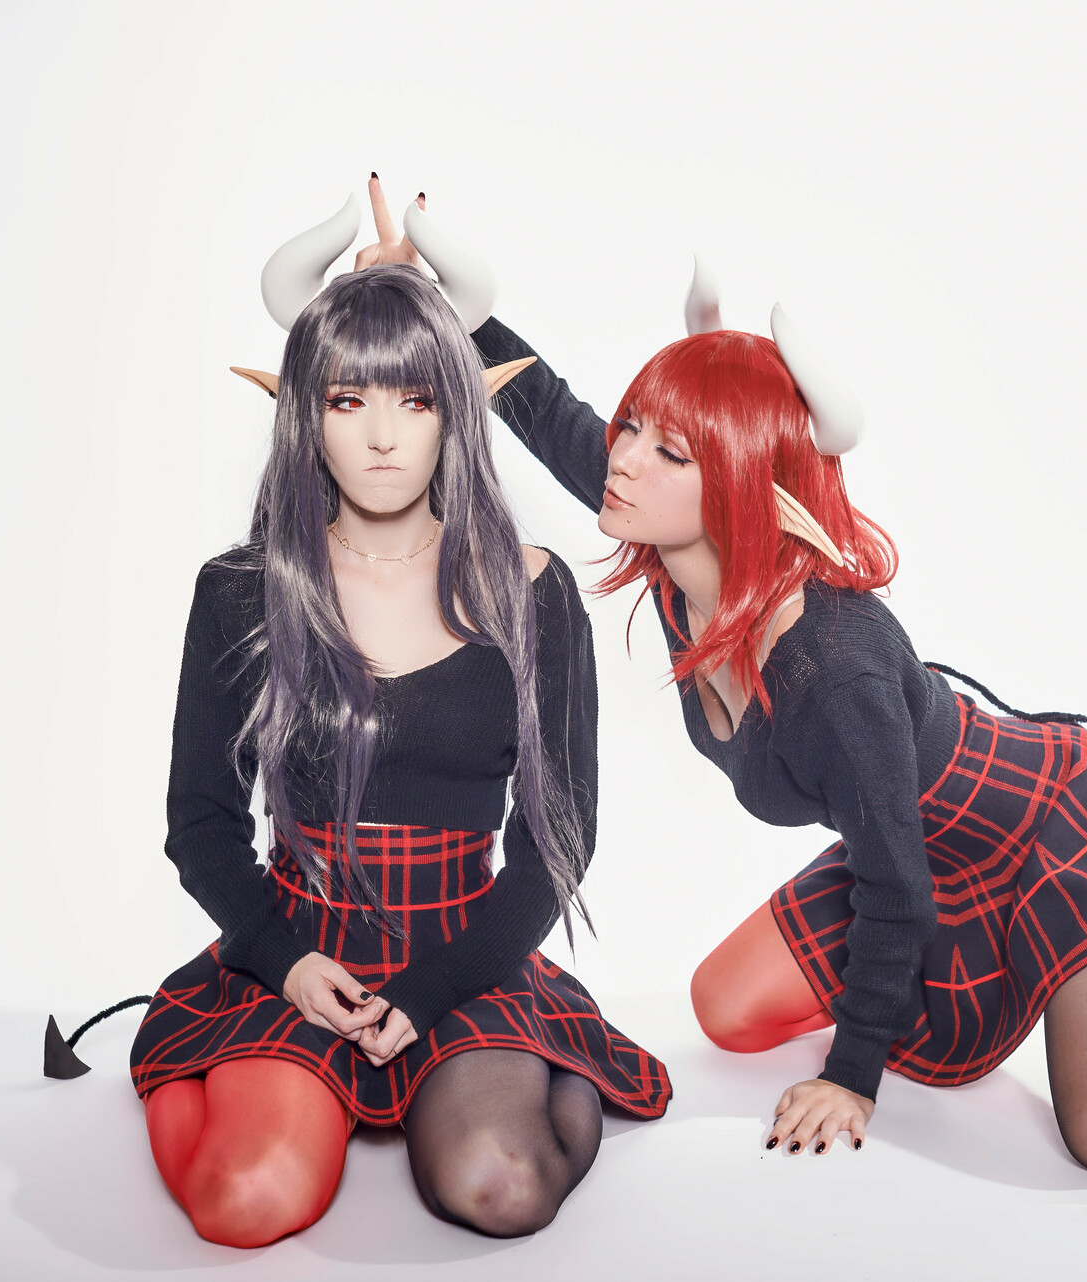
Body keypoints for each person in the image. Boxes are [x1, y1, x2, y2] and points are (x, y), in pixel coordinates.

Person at [463, 263, 1087, 1176]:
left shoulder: (837, 674)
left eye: (671, 452)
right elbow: (553, 419)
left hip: (1066, 823)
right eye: (632, 428)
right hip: (925, 847)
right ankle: (1009, 982)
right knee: (726, 1008)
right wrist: (456, 317)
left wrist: (852, 1078)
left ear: (744, 485)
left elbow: (896, 889)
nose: (624, 459)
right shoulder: (682, 563)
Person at [126, 198, 669, 1247]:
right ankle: (194, 1071)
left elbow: (558, 843)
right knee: (245, 1205)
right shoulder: (241, 590)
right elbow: (200, 823)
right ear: (307, 414)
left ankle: (555, 1063)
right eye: (347, 399)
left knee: (501, 1189)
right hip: (296, 946)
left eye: (415, 399)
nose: (381, 436)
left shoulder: (533, 592)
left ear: (455, 412)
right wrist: (285, 961)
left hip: (468, 948)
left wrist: (433, 989)